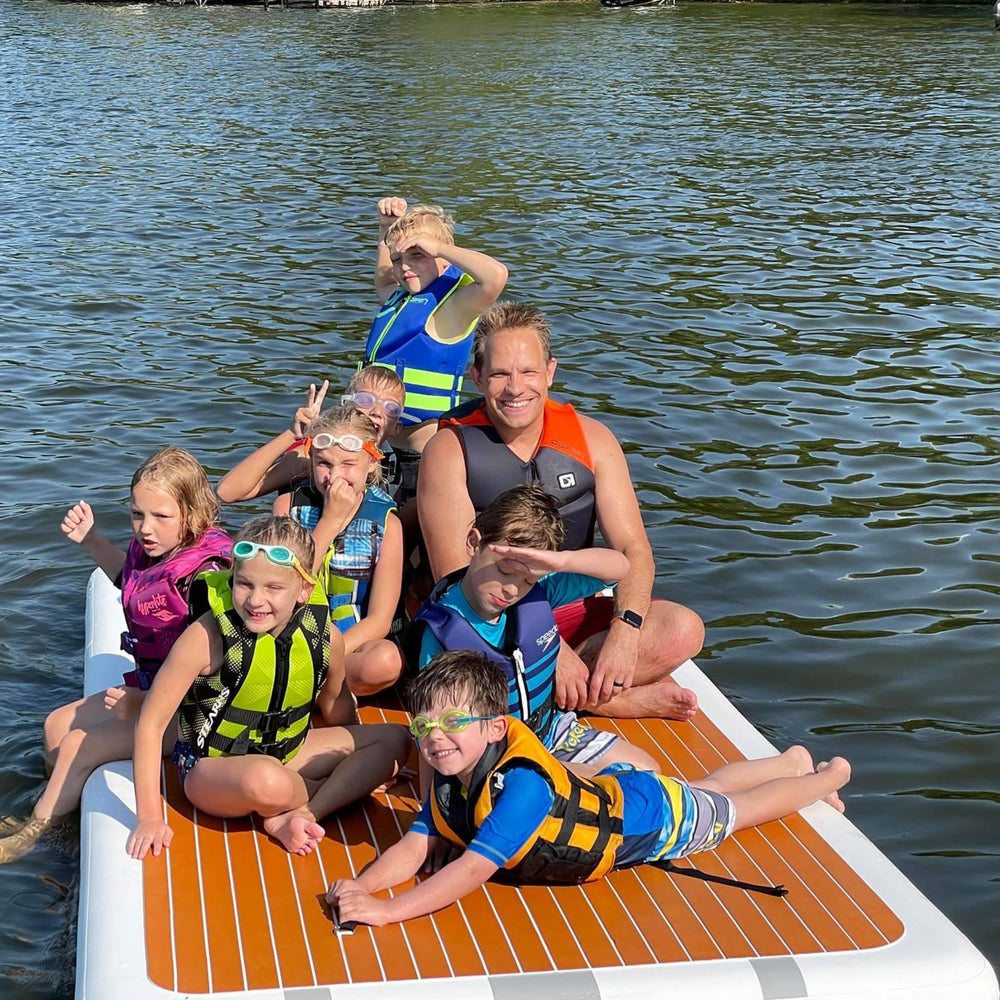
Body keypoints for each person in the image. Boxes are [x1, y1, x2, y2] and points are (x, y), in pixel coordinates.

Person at [327, 652, 851, 928]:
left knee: (729, 812)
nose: (434, 738)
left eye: (452, 723)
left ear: (493, 727)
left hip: (647, 820)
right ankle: (788, 760)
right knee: (702, 788)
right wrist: (362, 886)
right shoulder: (449, 772)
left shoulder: (523, 788)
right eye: (424, 727)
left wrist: (387, 911)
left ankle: (825, 778)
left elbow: (471, 869)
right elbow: (416, 843)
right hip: (616, 790)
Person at [417, 301, 705, 722]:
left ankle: (574, 692)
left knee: (682, 629)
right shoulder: (449, 450)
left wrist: (625, 631)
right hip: (488, 615)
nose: (516, 388)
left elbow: (632, 548)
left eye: (529, 372)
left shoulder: (594, 440)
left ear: (550, 371)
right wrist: (551, 647)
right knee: (468, 670)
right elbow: (457, 574)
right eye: (499, 374)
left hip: (564, 601)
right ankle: (608, 700)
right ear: (477, 376)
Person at [127, 516, 411, 861]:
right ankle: (330, 793)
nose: (255, 600)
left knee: (396, 740)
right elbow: (151, 724)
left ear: (304, 590)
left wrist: (368, 757)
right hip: (215, 770)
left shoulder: (326, 637)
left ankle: (303, 813)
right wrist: (150, 818)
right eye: (244, 584)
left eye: (273, 588)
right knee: (267, 779)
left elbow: (337, 706)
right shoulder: (206, 637)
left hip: (290, 751)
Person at [0, 447, 232, 865]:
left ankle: (34, 834)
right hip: (153, 688)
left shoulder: (206, 578)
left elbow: (222, 671)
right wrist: (90, 539)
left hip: (194, 711)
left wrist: (144, 703)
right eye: (137, 514)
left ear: (194, 513)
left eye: (161, 516)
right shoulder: (158, 550)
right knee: (55, 726)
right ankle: (63, 815)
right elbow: (131, 582)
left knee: (75, 746)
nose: (146, 528)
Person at [407, 485, 658, 777]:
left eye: (527, 580)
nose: (512, 589)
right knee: (583, 785)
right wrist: (431, 809)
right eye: (503, 571)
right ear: (475, 543)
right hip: (489, 757)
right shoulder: (441, 630)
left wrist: (563, 561)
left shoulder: (535, 591)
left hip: (548, 730)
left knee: (644, 771)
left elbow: (619, 567)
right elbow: (432, 725)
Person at [218, 400, 405, 695]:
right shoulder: (289, 507)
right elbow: (282, 584)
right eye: (324, 464)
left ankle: (310, 686)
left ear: (371, 465)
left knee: (385, 660)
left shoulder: (386, 523)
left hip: (345, 648)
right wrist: (329, 523)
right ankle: (306, 686)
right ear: (311, 460)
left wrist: (326, 653)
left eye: (348, 465)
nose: (334, 477)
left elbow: (380, 619)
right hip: (286, 634)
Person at [363, 197, 509, 500]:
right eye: (398, 259)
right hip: (383, 451)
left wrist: (439, 247)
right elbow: (381, 276)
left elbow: (496, 276)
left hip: (423, 455)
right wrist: (385, 229)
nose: (404, 267)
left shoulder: (453, 308)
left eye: (417, 255)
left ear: (443, 260)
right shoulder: (398, 297)